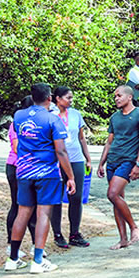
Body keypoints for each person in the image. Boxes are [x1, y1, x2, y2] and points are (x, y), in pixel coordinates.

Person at [5, 84, 75, 273]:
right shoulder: (53, 119)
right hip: (46, 173)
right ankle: (38, 260)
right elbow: (60, 150)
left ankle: (12, 259)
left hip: (24, 172)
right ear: (50, 98)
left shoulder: (19, 116)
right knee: (43, 213)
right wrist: (70, 176)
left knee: (22, 213)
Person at [97, 85, 139, 250]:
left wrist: (138, 164)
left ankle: (134, 226)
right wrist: (101, 163)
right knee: (116, 199)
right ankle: (123, 239)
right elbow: (109, 142)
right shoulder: (115, 117)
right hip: (113, 160)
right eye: (115, 96)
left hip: (128, 161)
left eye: (119, 96)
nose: (116, 99)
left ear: (129, 97)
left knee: (112, 194)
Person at [49, 86, 92, 249]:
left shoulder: (76, 114)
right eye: (68, 97)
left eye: (72, 98)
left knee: (76, 197)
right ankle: (58, 234)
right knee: (56, 198)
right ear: (58, 99)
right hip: (56, 161)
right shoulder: (50, 116)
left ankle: (75, 233)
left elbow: (81, 138)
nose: (71, 100)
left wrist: (87, 158)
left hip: (75, 159)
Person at [4, 97, 38, 253]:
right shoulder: (16, 123)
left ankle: (35, 245)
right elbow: (17, 147)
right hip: (16, 167)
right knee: (18, 206)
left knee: (33, 207)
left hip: (29, 168)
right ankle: (11, 246)